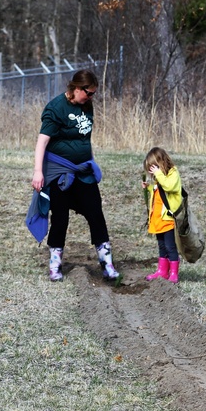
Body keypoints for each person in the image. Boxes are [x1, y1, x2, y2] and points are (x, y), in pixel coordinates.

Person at [29, 70, 120, 282]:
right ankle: (55, 265)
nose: (91, 97)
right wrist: (38, 172)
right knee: (60, 219)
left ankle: (107, 263)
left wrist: (90, 160)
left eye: (94, 94)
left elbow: (84, 140)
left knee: (96, 214)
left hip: (83, 172)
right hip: (61, 173)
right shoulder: (56, 108)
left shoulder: (87, 106)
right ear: (76, 88)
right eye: (88, 93)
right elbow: (42, 142)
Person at [142, 146, 182, 283]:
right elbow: (159, 195)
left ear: (159, 163)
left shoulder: (172, 173)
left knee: (171, 246)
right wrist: (148, 187)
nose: (152, 173)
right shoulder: (159, 178)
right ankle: (162, 271)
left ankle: (174, 273)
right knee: (162, 246)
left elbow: (169, 187)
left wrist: (158, 174)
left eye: (152, 168)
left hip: (168, 219)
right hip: (158, 219)